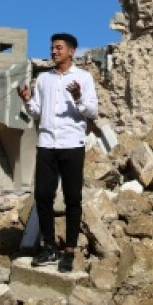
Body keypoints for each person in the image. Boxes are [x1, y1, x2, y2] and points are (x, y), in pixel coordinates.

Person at [17, 32, 98, 273]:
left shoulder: (83, 78)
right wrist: (27, 100)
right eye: (52, 48)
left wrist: (78, 97)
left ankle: (70, 250)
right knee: (43, 195)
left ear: (71, 51)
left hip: (72, 144)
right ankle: (49, 246)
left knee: (73, 198)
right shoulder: (43, 79)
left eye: (59, 48)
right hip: (46, 144)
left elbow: (92, 111)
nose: (54, 52)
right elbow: (37, 113)